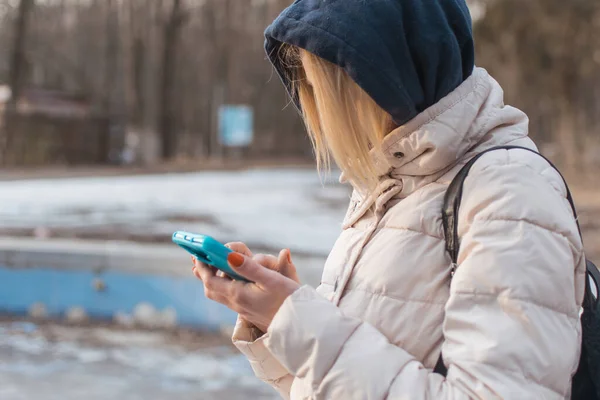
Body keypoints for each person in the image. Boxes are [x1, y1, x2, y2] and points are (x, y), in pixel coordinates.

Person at [192, 0, 586, 398]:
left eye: (324, 88)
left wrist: (297, 321)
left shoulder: (509, 196)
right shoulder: (395, 184)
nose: (321, 116)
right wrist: (275, 321)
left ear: (381, 78)